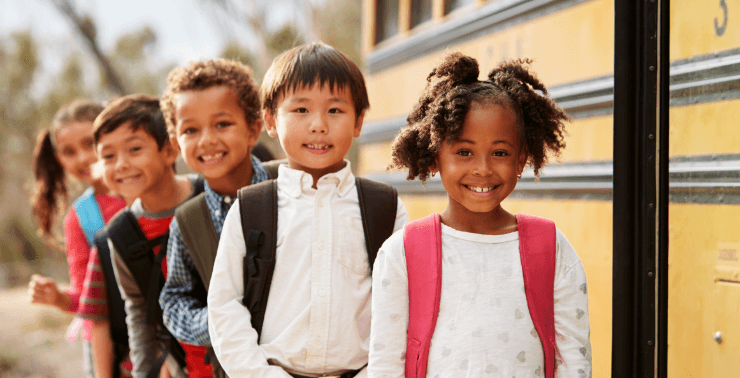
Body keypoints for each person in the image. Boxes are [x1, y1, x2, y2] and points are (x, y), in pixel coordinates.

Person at [368, 53, 592, 377]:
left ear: (521, 159)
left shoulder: (551, 249)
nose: (483, 169)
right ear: (434, 158)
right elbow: (385, 366)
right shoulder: (401, 253)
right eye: (464, 152)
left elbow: (575, 363)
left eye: (500, 153)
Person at [207, 42, 409, 378]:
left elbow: (403, 303)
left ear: (359, 122)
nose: (318, 125)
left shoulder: (384, 207)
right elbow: (225, 305)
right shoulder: (251, 208)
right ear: (271, 120)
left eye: (335, 111)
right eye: (300, 110)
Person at [158, 59, 271, 378]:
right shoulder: (188, 222)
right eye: (191, 130)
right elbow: (175, 301)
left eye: (222, 124)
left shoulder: (292, 187)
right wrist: (221, 323)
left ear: (253, 129)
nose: (206, 140)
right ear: (176, 141)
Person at [92, 94, 200, 378]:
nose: (121, 165)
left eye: (135, 149)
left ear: (169, 150)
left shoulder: (209, 197)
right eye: (108, 156)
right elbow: (140, 312)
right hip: (185, 367)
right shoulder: (121, 234)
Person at [28, 99, 127, 378]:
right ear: (59, 159)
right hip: (109, 347)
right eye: (69, 152)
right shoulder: (80, 218)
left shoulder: (148, 192)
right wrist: (58, 297)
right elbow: (88, 296)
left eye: (89, 143)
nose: (83, 158)